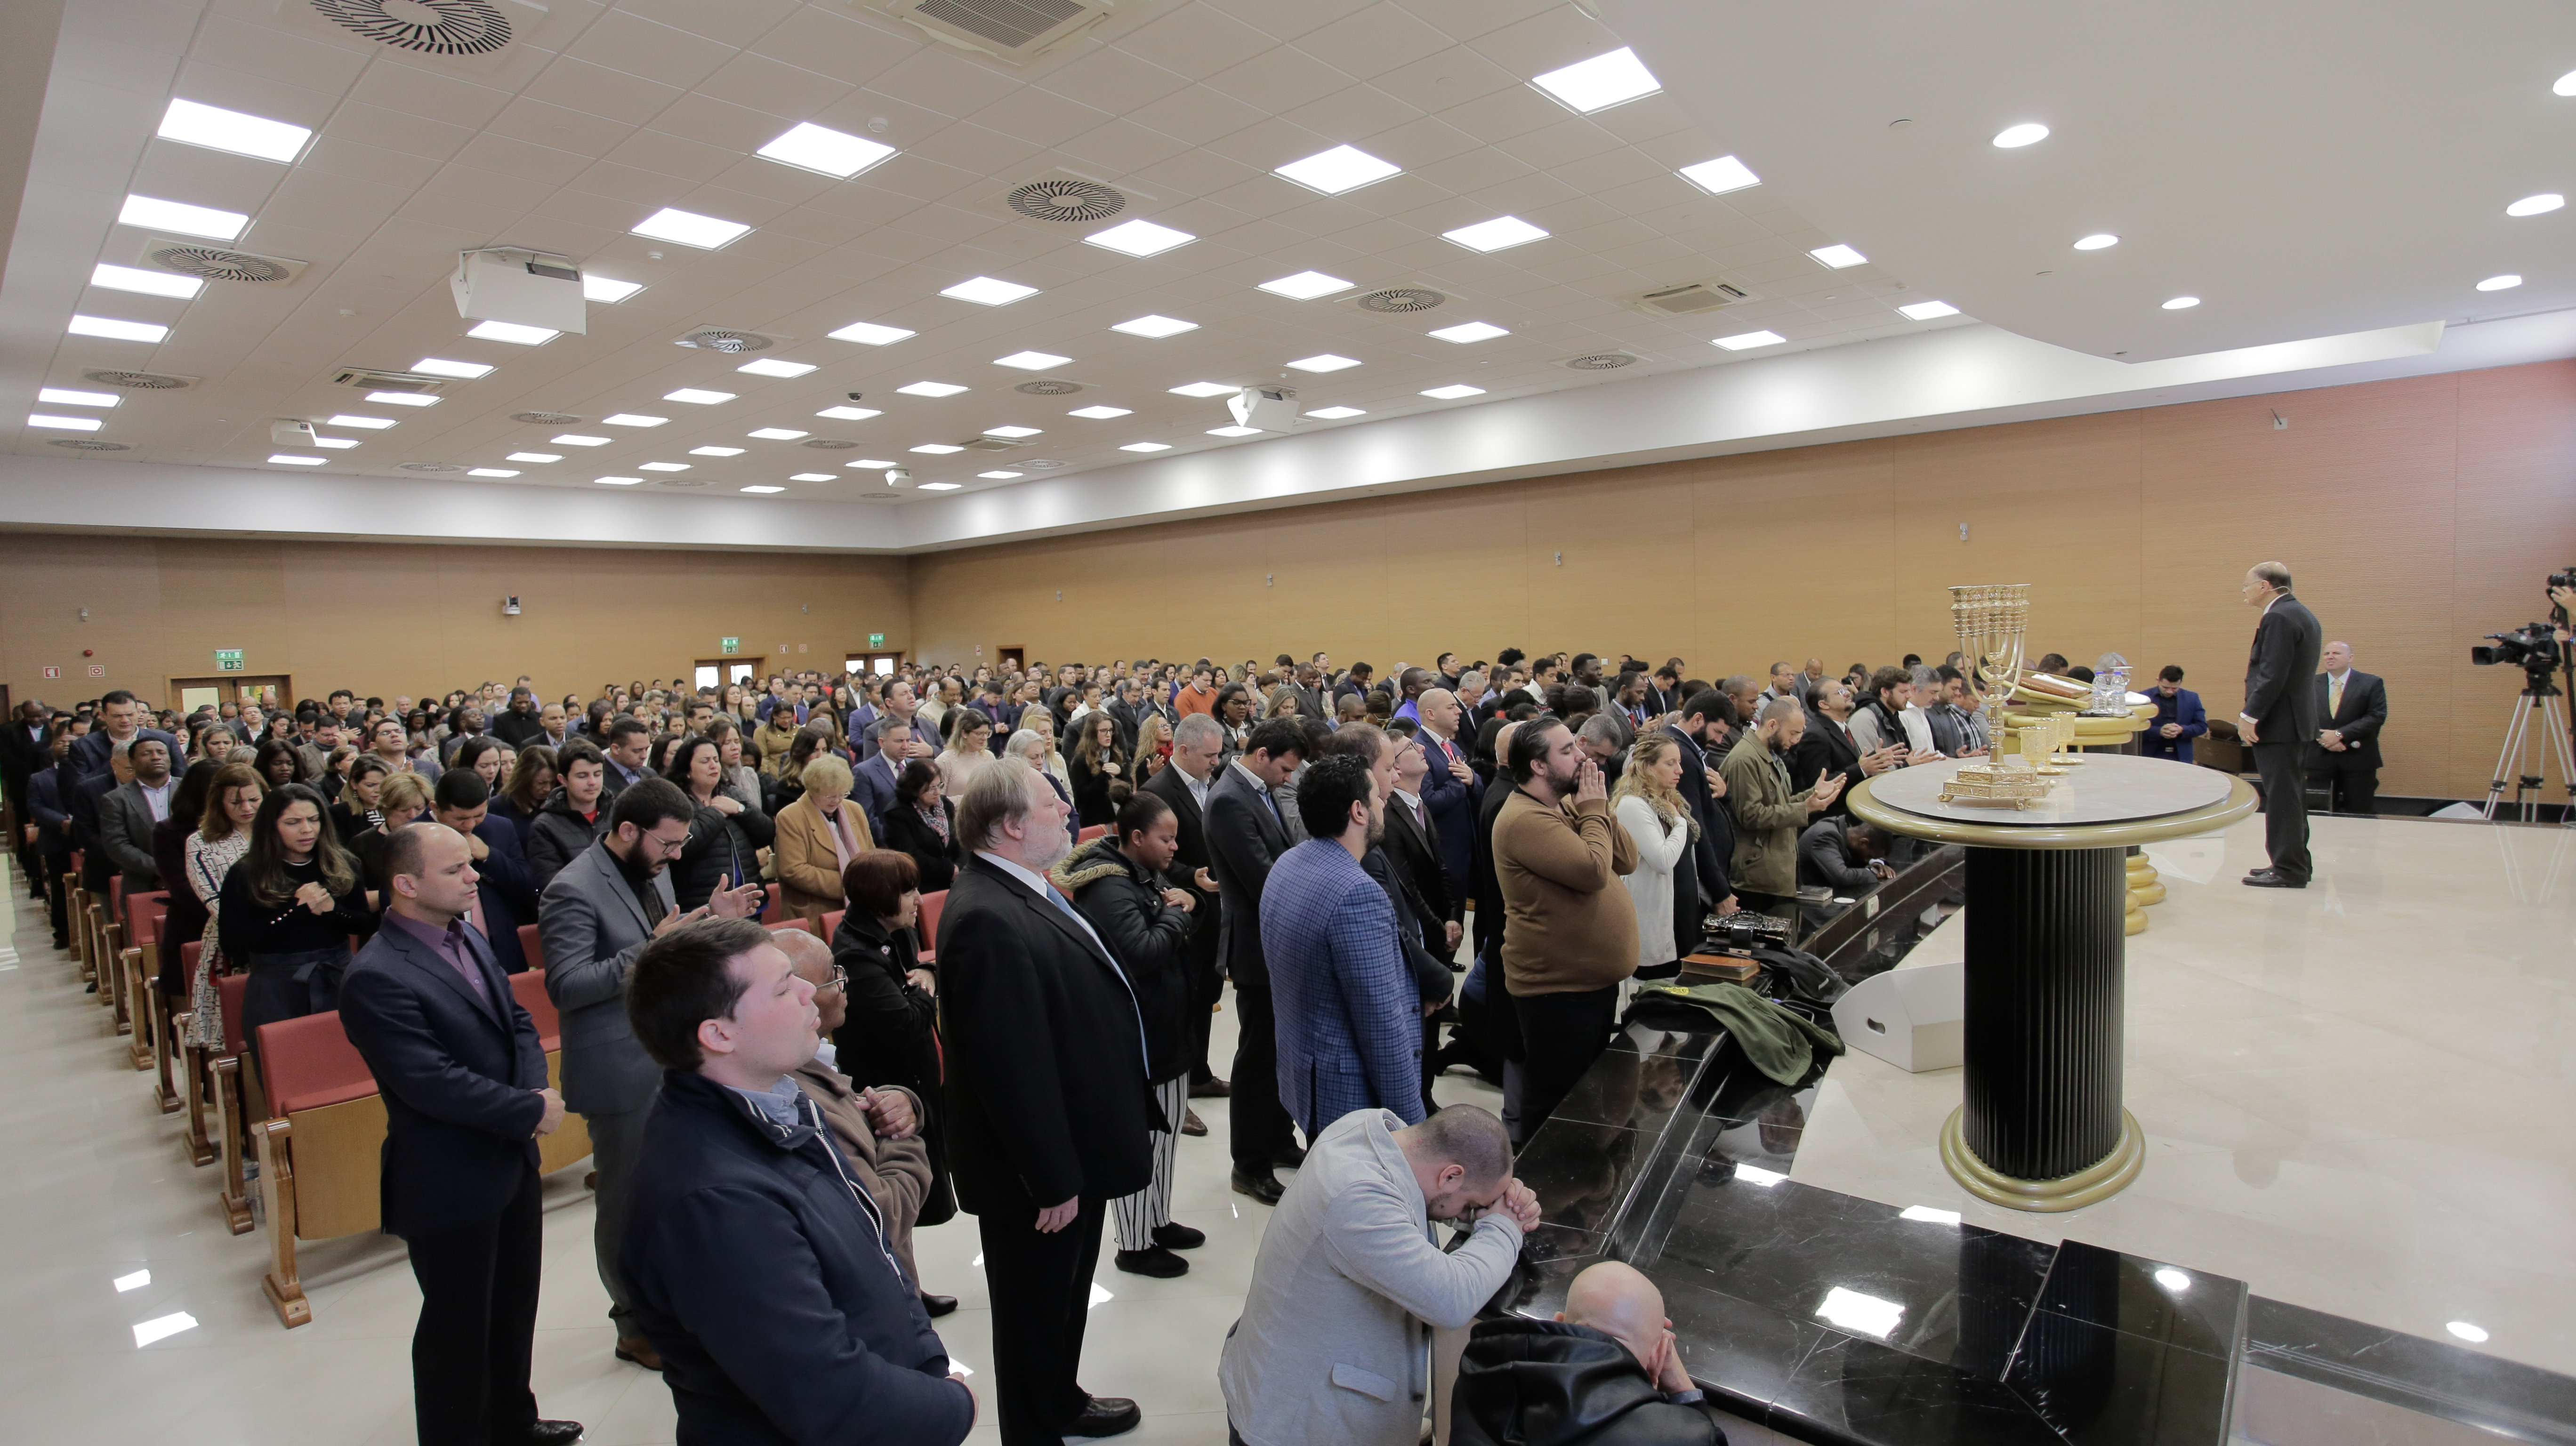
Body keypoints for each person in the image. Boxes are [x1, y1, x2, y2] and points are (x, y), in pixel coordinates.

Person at [618, 918, 976, 1446]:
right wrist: (953, 1405)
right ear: (719, 1034)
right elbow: (827, 1396)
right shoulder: (715, 1201)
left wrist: (925, 1359)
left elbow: (876, 1254)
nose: (812, 990)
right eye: (786, 986)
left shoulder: (781, 1104)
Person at [338, 823, 580, 1446]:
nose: (476, 876)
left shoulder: (466, 936)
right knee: (458, 1330)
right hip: (449, 1173)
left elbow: (517, 1021)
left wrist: (533, 1094)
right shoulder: (377, 974)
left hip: (509, 1158)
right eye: (456, 870)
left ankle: (513, 1422)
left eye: (471, 866)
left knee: (512, 1309)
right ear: (406, 884)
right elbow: (431, 1083)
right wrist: (526, 1110)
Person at [937, 758, 1155, 1445]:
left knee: (1064, 1298)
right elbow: (1010, 1067)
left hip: (1072, 1151)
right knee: (1033, 1310)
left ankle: (1061, 1397)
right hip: (1037, 1175)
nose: (1067, 810)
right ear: (1008, 826)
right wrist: (1051, 1176)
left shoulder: (1026, 888)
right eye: (1051, 804)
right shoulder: (986, 916)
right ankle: (1034, 1430)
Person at [540, 777, 765, 1370]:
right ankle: (632, 1323)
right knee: (627, 1202)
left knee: (680, 1190)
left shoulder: (653, 868)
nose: (675, 856)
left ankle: (679, 1302)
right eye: (667, 845)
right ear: (628, 831)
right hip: (618, 1066)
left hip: (669, 1052)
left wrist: (706, 923)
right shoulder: (572, 889)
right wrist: (651, 946)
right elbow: (567, 985)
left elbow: (663, 946)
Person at [1218, 1105, 1538, 1446]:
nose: (1469, 1214)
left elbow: (1414, 1200)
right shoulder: (1356, 1198)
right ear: (1449, 1176)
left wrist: (1494, 1200)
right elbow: (1452, 1299)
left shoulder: (1371, 1131)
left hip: (1289, 1380)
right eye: (1472, 1204)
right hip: (1297, 1423)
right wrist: (1504, 1227)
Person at [1052, 790, 1208, 1279]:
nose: (1174, 849)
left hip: (1167, 1024)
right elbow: (1140, 952)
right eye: (1166, 839)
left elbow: (1170, 914)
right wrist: (1177, 912)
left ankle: (1156, 1219)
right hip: (1142, 1032)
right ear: (1136, 837)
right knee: (1147, 1139)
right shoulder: (1110, 888)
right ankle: (1135, 1243)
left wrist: (1182, 904)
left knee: (1165, 1139)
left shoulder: (1141, 870)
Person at [1263, 750, 1425, 1142]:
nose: (1385, 799)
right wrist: (1413, 1125)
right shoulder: (1356, 893)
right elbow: (1381, 1022)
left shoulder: (1289, 862)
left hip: (1308, 1078)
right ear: (1358, 811)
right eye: (1377, 796)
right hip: (1352, 1100)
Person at [1493, 720, 1638, 1144]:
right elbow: (1595, 872)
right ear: (1538, 765)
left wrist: (1599, 805)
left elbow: (1625, 860)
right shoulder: (1524, 819)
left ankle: (1580, 1182)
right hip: (1556, 992)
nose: (1583, 757)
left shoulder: (1566, 804)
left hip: (1587, 985)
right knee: (1556, 1100)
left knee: (1585, 1097)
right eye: (1568, 751)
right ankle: (1550, 1192)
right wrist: (1593, 809)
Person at [772, 926, 938, 1298]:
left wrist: (900, 1101)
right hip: (875, 1300)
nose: (843, 984)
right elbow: (885, 1218)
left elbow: (856, 1103)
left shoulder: (812, 1059)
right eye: (834, 976)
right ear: (801, 996)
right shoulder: (794, 1097)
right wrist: (902, 1138)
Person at [827, 849, 952, 1314]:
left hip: (908, 1078)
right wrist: (924, 989)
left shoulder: (889, 935)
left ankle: (908, 1291)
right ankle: (900, 1298)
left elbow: (921, 974)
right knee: (892, 1203)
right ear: (883, 897)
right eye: (908, 891)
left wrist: (923, 978)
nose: (918, 899)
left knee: (908, 1202)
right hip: (884, 1088)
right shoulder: (856, 954)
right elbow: (902, 1022)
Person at [1451, 1261, 1729, 1446]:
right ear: (1659, 1354)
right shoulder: (1678, 1435)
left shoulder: (1482, 1373)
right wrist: (1684, 1393)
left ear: (1558, 1323)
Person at [1207, 718, 1308, 1205]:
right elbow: (1265, 880)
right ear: (1263, 754)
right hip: (1257, 950)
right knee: (1258, 1061)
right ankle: (1249, 1164)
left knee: (1279, 1054)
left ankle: (1278, 1141)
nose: (1288, 780)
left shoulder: (1256, 790)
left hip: (1276, 945)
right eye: (1285, 769)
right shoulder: (1229, 798)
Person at [217, 783, 371, 1055]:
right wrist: (295, 911)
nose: (307, 830)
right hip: (276, 984)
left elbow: (363, 924)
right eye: (293, 822)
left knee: (348, 1066)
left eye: (314, 820)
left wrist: (332, 910)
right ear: (271, 826)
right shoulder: (246, 873)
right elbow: (234, 945)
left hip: (338, 974)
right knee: (288, 1069)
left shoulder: (345, 862)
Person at [1142, 713, 1226, 1101]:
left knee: (1207, 992)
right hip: (1179, 907)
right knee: (1183, 998)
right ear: (1185, 749)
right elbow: (1151, 855)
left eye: (1219, 754)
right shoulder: (1158, 790)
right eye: (1209, 755)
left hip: (1213, 906)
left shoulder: (1211, 783)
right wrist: (1191, 875)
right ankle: (1179, 1081)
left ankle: (1200, 1072)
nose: (1216, 761)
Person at [2239, 561, 2323, 887]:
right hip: (2296, 722)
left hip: (2279, 724)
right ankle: (2295, 862)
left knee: (2283, 798)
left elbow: (2273, 674)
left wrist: (2250, 715)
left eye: (2247, 584)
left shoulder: (2278, 616)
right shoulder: (2301, 613)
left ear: (2265, 586)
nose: (2244, 591)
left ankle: (2288, 870)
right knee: (2292, 797)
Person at [1722, 698, 1843, 919]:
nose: (1796, 741)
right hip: (1757, 878)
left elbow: (1781, 804)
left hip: (1777, 870)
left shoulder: (1772, 756)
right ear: (1772, 725)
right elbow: (1751, 815)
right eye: (1793, 734)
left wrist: (1813, 794)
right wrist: (1806, 808)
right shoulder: (1744, 759)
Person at [1611, 735, 1697, 974]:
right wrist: (1680, 824)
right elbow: (1663, 861)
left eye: (1679, 762)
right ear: (1647, 767)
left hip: (1681, 908)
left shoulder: (1669, 800)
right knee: (1657, 988)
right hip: (1654, 915)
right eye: (1670, 763)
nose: (1680, 770)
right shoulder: (1633, 805)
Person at [665, 734, 776, 912]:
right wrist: (716, 813)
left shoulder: (731, 793)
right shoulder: (675, 802)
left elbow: (767, 834)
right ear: (687, 770)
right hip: (703, 906)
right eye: (705, 761)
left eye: (716, 760)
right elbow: (683, 845)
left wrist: (740, 809)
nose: (713, 766)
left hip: (749, 900)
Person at [773, 753, 873, 926]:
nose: (837, 801)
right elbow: (793, 870)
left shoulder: (855, 809)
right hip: (814, 913)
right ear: (812, 790)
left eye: (842, 794)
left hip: (861, 908)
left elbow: (871, 853)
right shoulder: (790, 817)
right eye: (830, 796)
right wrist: (851, 885)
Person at [1413, 688, 1480, 909]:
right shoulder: (1418, 750)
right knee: (1446, 927)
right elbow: (1427, 802)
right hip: (1443, 855)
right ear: (1431, 714)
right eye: (1451, 707)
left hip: (1465, 849)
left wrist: (1472, 780)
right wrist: (1460, 782)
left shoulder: (1452, 746)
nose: (1459, 712)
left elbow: (1473, 781)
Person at [2308, 641, 2387, 815]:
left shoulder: (2371, 683)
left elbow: (2376, 716)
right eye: (2327, 654)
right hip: (2318, 759)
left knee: (2359, 813)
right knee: (2316, 814)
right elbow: (2301, 716)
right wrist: (2324, 739)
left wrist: (2339, 734)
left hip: (2357, 758)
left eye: (2336, 653)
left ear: (2351, 658)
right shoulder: (2309, 684)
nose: (2330, 657)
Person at [524, 739, 612, 890]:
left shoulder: (618, 813)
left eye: (597, 774)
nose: (592, 782)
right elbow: (552, 884)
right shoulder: (545, 827)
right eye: (582, 776)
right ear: (563, 780)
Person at [98, 734, 179, 892]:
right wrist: (160, 869)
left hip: (192, 881)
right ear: (132, 762)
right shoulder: (116, 799)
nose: (156, 757)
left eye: (161, 752)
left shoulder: (190, 789)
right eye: (146, 753)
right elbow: (117, 845)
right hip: (143, 883)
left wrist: (181, 869)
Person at [879, 760, 962, 893]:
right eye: (931, 788)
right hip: (922, 886)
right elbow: (911, 855)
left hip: (956, 880)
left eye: (939, 786)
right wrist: (949, 870)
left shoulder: (945, 805)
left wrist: (959, 867)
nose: (937, 792)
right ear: (914, 789)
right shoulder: (897, 814)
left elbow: (961, 840)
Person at [1800, 815, 1892, 895]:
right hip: (1806, 898)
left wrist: (1874, 865)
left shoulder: (1847, 831)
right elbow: (1842, 877)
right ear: (1863, 842)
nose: (1866, 860)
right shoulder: (1827, 837)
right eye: (1870, 856)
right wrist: (1873, 872)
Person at [1067, 711, 1127, 827]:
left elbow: (1128, 784)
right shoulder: (1081, 760)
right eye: (1103, 731)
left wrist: (1121, 772)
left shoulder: (1114, 753)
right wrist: (1105, 775)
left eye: (1111, 730)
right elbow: (1081, 797)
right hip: (1098, 822)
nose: (1109, 735)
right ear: (1093, 733)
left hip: (1120, 817)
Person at [2141, 666, 2208, 764]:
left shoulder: (2192, 698)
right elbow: (2135, 728)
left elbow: (2202, 727)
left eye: (2174, 688)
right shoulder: (2144, 697)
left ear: (2180, 683)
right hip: (2151, 753)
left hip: (2181, 755)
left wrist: (2182, 730)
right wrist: (2159, 731)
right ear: (2158, 681)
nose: (2170, 691)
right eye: (2165, 687)